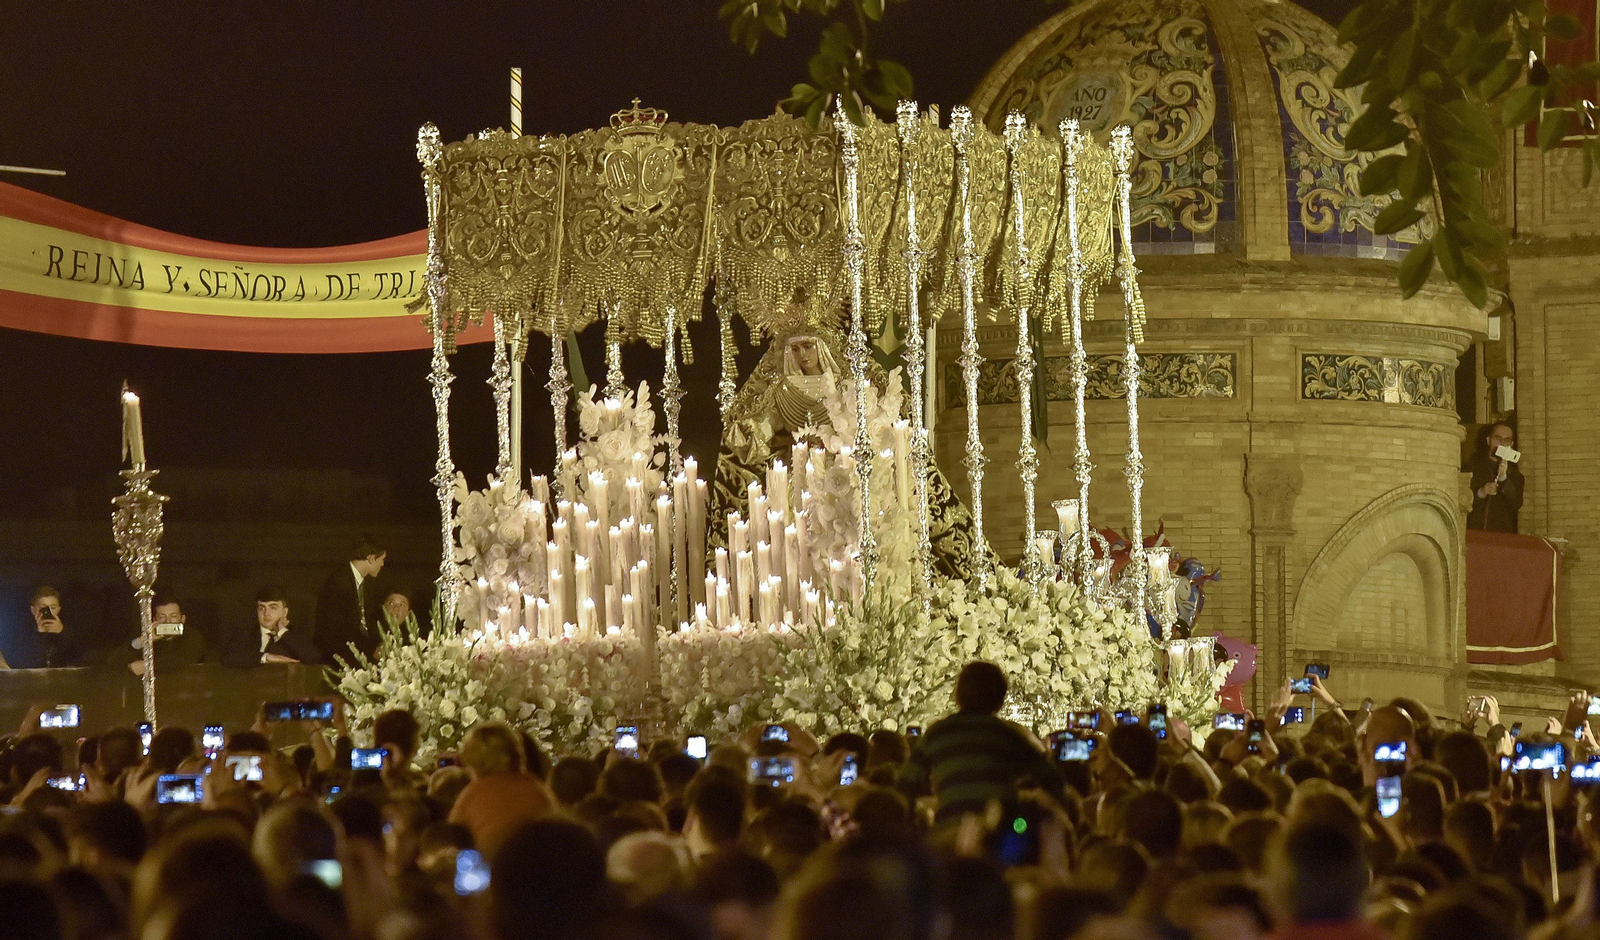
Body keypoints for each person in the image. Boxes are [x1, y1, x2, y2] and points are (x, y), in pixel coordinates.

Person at [895, 660, 1065, 824]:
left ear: (958, 695)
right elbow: (1054, 781)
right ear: (1000, 700)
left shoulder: (937, 734)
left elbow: (904, 786)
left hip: (951, 829)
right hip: (999, 834)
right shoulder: (1008, 734)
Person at [315, 535, 387, 666]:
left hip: (358, 656)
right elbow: (333, 632)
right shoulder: (338, 583)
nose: (382, 564)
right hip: (340, 662)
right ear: (371, 559)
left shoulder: (365, 585)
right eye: (381, 559)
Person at [220, 586, 318, 667]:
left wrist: (283, 633)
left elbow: (314, 658)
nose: (266, 613)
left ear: (284, 612)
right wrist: (266, 657)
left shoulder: (296, 635)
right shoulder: (244, 634)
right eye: (261, 608)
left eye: (273, 607)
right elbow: (227, 658)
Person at [114, 594, 208, 676]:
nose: (168, 621)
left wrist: (148, 666)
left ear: (182, 619)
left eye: (173, 616)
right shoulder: (150, 636)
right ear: (155, 619)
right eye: (162, 616)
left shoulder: (193, 636)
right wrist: (141, 641)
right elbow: (116, 661)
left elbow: (182, 658)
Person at [7, 584, 84, 669]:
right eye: (43, 608)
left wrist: (62, 633)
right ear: (33, 610)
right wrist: (40, 635)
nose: (48, 612)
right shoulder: (23, 634)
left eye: (53, 608)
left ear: (59, 609)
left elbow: (77, 657)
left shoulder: (70, 633)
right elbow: (26, 664)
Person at [1467, 422, 1524, 532]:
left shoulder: (1515, 475)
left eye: (1506, 440)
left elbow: (1516, 503)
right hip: (1474, 534)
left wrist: (1503, 478)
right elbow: (1461, 499)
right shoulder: (1472, 468)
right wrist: (1481, 492)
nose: (1501, 443)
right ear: (1488, 440)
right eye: (1497, 438)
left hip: (1502, 537)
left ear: (1511, 444)